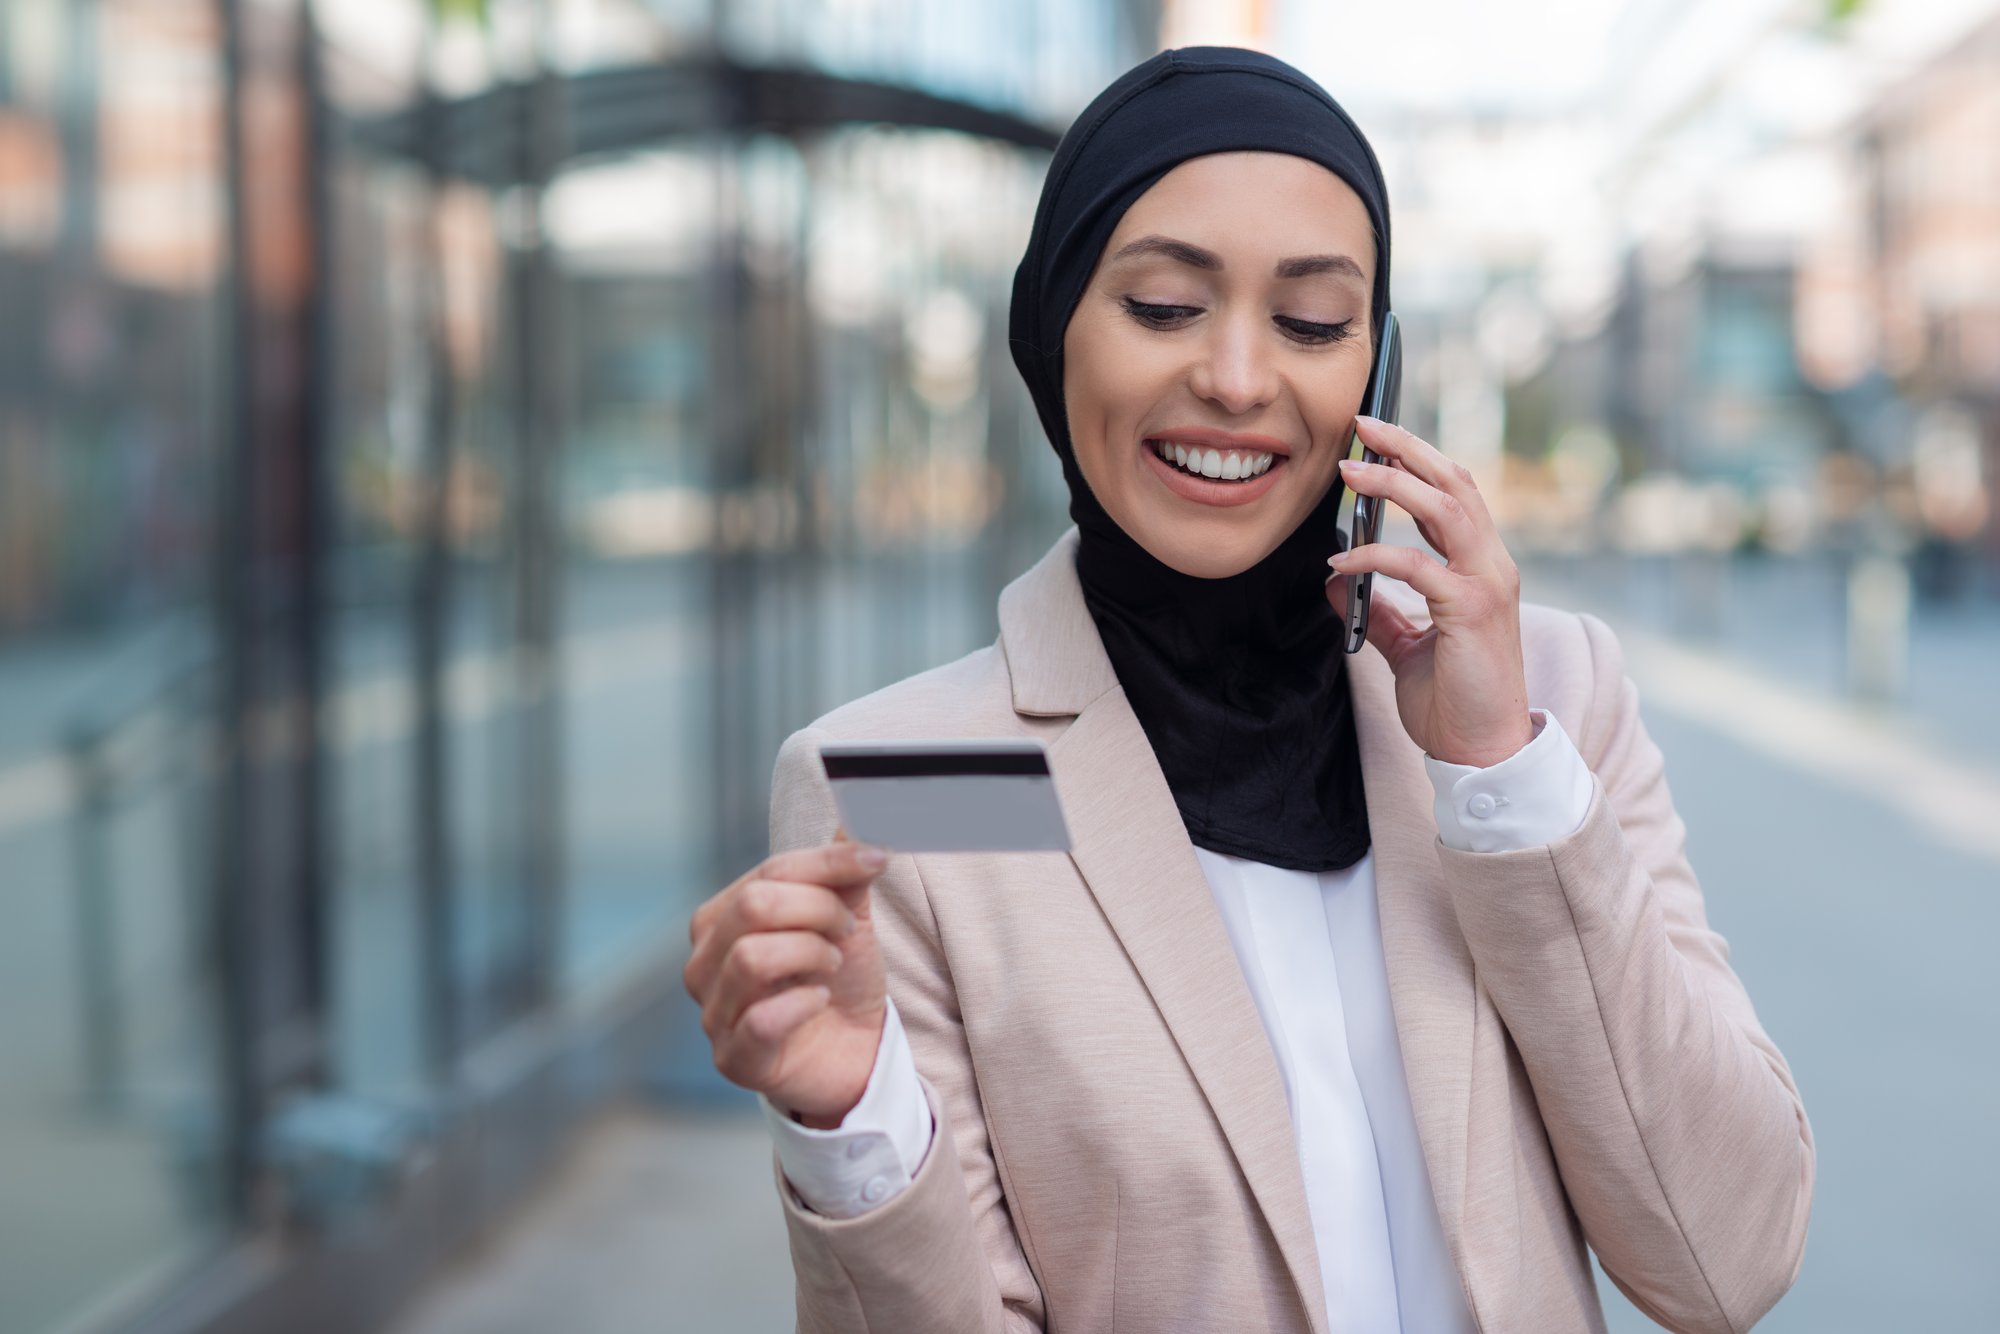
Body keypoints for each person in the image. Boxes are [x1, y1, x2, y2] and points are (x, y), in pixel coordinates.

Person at [683, 46, 1813, 1334]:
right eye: (1163, 306)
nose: (1235, 377)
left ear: (1378, 372)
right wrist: (852, 1124)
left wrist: (1501, 780)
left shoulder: (1546, 698)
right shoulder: (912, 787)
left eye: (1315, 322)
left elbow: (1728, 1260)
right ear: (1051, 331)